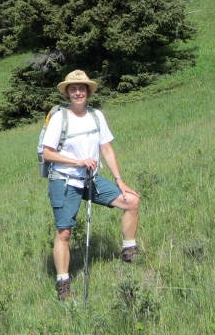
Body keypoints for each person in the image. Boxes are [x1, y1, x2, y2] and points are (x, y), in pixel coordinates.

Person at [43, 70, 141, 301]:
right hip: (65, 180)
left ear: (88, 92)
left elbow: (106, 149)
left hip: (91, 179)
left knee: (131, 201)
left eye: (82, 88)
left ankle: (129, 254)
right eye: (73, 89)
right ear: (67, 93)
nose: (78, 92)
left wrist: (119, 180)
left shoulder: (97, 116)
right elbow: (48, 154)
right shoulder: (60, 118)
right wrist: (78, 162)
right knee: (64, 232)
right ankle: (63, 284)